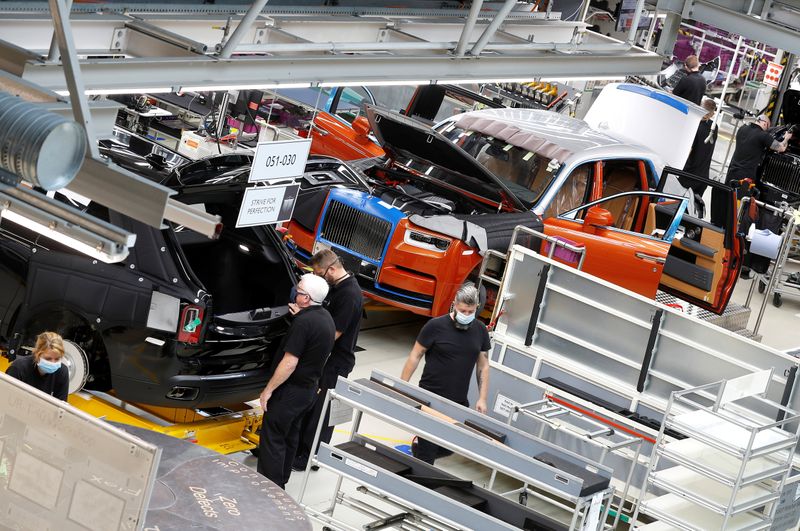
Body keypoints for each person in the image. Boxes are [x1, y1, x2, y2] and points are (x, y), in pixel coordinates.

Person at [257, 273, 335, 489]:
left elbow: (290, 363)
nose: (295, 292)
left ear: (306, 299)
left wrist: (268, 390)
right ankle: (281, 482)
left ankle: (269, 489)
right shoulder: (325, 318)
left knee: (273, 437)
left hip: (290, 392)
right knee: (291, 436)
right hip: (309, 391)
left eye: (299, 291)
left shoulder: (303, 323)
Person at [400, 283, 490, 464]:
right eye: (463, 310)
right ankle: (420, 487)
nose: (466, 315)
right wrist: (402, 386)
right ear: (455, 305)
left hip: (458, 402)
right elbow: (415, 355)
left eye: (470, 312)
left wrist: (482, 398)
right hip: (430, 399)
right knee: (427, 456)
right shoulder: (435, 326)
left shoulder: (480, 330)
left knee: (448, 448)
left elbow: (483, 366)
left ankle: (419, 449)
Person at [293, 249, 364, 471]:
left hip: (336, 362)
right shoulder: (337, 288)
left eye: (320, 273)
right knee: (311, 408)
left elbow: (333, 333)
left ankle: (310, 456)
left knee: (320, 413)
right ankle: (303, 450)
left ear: (331, 269)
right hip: (328, 358)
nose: (319, 277)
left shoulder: (349, 295)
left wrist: (304, 322)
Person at [680, 98, 719, 217]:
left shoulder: (695, 126)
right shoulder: (714, 127)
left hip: (688, 175)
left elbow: (688, 150)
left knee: (678, 206)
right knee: (693, 212)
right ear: (712, 113)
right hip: (702, 177)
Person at [6, 331, 69, 401]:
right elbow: (5, 397)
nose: (53, 363)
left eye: (57, 359)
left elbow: (61, 406)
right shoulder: (19, 368)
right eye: (48, 358)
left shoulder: (62, 372)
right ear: (37, 354)